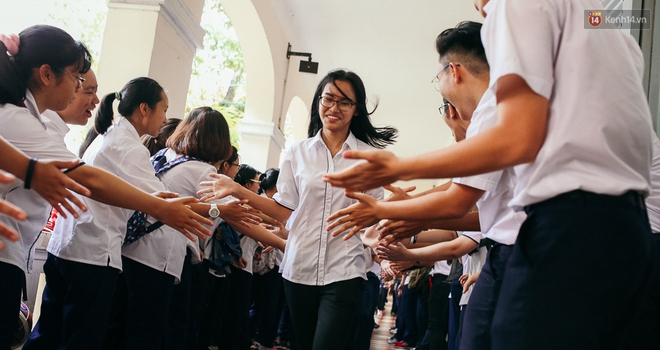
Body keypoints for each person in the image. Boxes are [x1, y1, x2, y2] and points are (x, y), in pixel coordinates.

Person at [325, 2, 657, 349]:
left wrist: (399, 169)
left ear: (453, 71)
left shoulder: (518, 5)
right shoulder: (604, 22)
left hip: (572, 223)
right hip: (627, 226)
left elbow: (514, 141)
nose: (479, 5)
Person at [0, 25, 211, 350]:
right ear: (46, 74)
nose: (81, 90)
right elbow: (87, 178)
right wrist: (163, 208)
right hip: (76, 253)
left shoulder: (32, 122)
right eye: (77, 78)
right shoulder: (18, 121)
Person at [199, 69, 397, 349]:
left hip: (345, 270)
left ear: (356, 110)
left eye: (344, 102)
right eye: (328, 99)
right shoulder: (297, 152)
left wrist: (386, 223)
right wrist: (237, 190)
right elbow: (283, 210)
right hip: (299, 269)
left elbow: (371, 217)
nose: (334, 108)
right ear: (319, 101)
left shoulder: (369, 158)